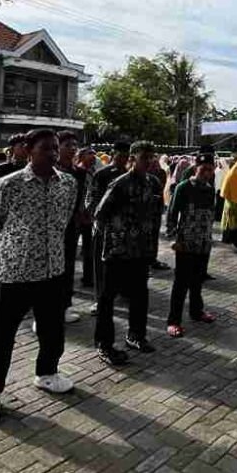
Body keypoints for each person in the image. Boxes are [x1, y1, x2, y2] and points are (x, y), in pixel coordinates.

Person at [0, 129, 77, 428]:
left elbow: (64, 220)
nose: (54, 154)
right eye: (46, 148)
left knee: (52, 330)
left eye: (56, 148)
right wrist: (16, 248)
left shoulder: (67, 184)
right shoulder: (9, 184)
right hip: (13, 273)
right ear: (28, 150)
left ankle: (47, 374)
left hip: (53, 271)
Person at [92, 141, 163, 365]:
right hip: (117, 252)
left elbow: (155, 215)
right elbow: (100, 214)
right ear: (132, 159)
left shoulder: (153, 183)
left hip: (140, 251)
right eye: (145, 158)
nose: (150, 162)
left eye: (152, 157)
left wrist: (151, 248)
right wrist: (115, 237)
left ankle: (136, 335)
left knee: (140, 295)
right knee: (107, 299)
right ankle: (104, 345)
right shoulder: (119, 184)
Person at [165, 151, 217, 337]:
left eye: (210, 170)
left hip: (203, 243)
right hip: (185, 243)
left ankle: (197, 311)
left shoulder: (210, 189)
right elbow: (171, 215)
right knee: (181, 283)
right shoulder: (183, 187)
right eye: (203, 169)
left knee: (198, 281)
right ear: (196, 168)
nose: (206, 173)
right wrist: (173, 239)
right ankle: (173, 321)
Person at [85, 141, 130, 315]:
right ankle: (99, 300)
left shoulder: (128, 174)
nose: (124, 159)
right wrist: (98, 219)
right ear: (113, 154)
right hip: (104, 228)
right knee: (100, 265)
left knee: (121, 263)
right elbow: (90, 199)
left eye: (127, 156)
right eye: (121, 155)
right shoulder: (102, 174)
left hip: (124, 229)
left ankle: (122, 292)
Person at [55, 130, 86, 324]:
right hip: (49, 227)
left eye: (75, 145)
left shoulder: (79, 173)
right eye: (67, 145)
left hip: (70, 227)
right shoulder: (50, 170)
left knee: (67, 267)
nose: (72, 149)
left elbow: (81, 199)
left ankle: (65, 305)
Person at [76, 146, 98, 288]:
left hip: (89, 216)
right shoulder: (77, 172)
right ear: (82, 156)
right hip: (76, 216)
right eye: (90, 154)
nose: (93, 156)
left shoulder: (94, 172)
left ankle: (88, 277)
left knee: (89, 248)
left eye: (94, 154)